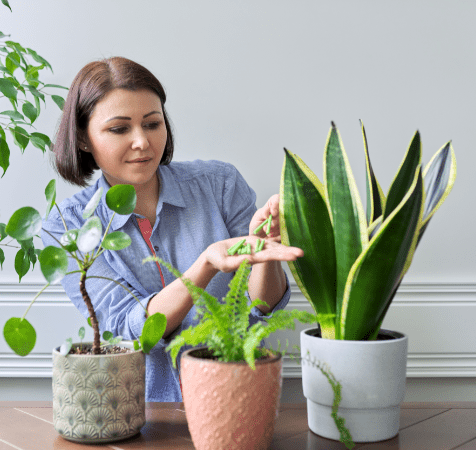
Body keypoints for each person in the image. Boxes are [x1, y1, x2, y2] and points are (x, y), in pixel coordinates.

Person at [42, 56, 303, 402]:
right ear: (83, 139)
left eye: (152, 124)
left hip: (239, 395)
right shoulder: (68, 227)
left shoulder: (220, 184)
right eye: (120, 129)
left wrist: (262, 250)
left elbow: (264, 306)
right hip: (144, 413)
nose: (142, 142)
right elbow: (134, 330)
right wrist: (206, 264)